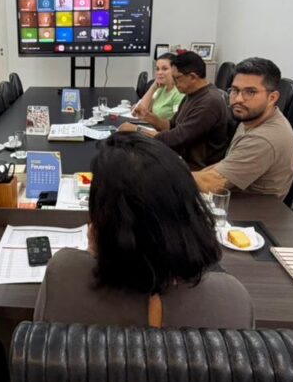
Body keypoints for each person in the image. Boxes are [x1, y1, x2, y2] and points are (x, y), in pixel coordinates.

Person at [34, 132, 254, 328]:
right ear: (192, 214)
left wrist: (96, 250)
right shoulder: (234, 300)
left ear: (101, 223)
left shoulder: (62, 274)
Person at [194, 57, 293, 198]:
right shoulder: (251, 117)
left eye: (250, 92)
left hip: (249, 208)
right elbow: (224, 166)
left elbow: (211, 184)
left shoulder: (263, 139)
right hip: (233, 196)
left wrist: (169, 174)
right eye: (235, 90)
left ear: (272, 98)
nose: (238, 99)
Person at [118, 51, 229, 170]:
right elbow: (171, 125)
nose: (175, 83)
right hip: (180, 155)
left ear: (192, 77)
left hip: (195, 168)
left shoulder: (209, 101)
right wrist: (148, 116)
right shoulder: (191, 94)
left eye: (177, 78)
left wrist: (137, 130)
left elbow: (176, 138)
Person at [132, 52, 184, 123]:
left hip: (163, 129)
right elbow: (139, 112)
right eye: (157, 69)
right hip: (152, 127)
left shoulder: (179, 93)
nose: (159, 72)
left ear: (175, 70)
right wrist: (153, 87)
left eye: (164, 69)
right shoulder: (161, 88)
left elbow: (177, 124)